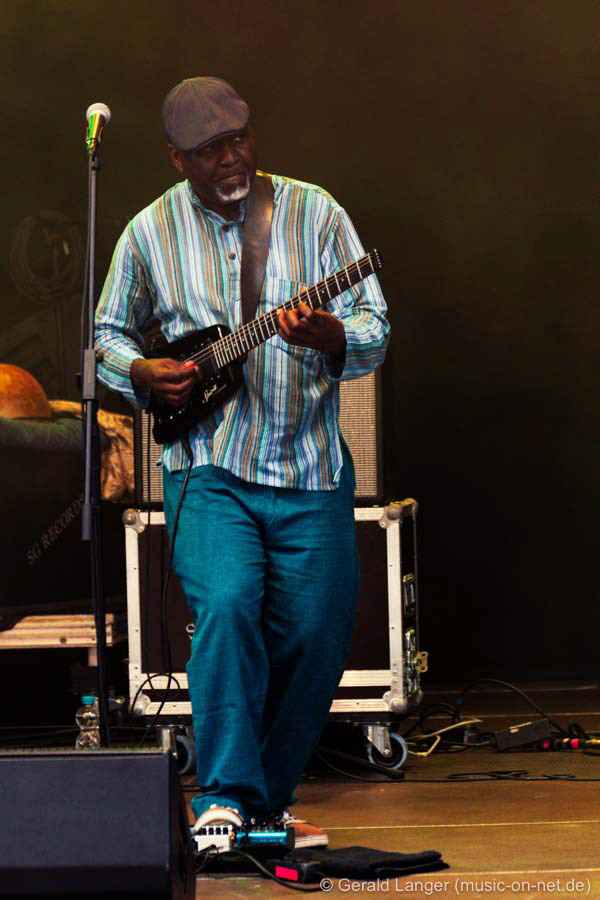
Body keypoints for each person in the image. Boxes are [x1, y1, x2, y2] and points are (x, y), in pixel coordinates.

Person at [95, 76, 390, 846]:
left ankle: (264, 803)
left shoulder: (314, 212)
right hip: (208, 464)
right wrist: (142, 371)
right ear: (177, 158)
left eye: (239, 140)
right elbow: (106, 337)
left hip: (309, 466)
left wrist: (331, 335)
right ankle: (223, 799)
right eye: (209, 150)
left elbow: (375, 323)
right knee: (226, 608)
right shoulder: (148, 231)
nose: (230, 158)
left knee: (317, 636)